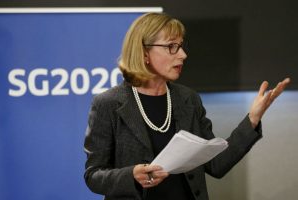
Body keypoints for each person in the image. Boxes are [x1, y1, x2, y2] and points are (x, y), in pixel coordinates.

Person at [83, 12, 290, 200]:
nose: (183, 55)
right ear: (144, 53)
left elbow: (216, 164)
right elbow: (94, 175)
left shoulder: (188, 99)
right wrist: (130, 176)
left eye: (181, 46)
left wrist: (252, 119)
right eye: (172, 46)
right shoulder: (108, 104)